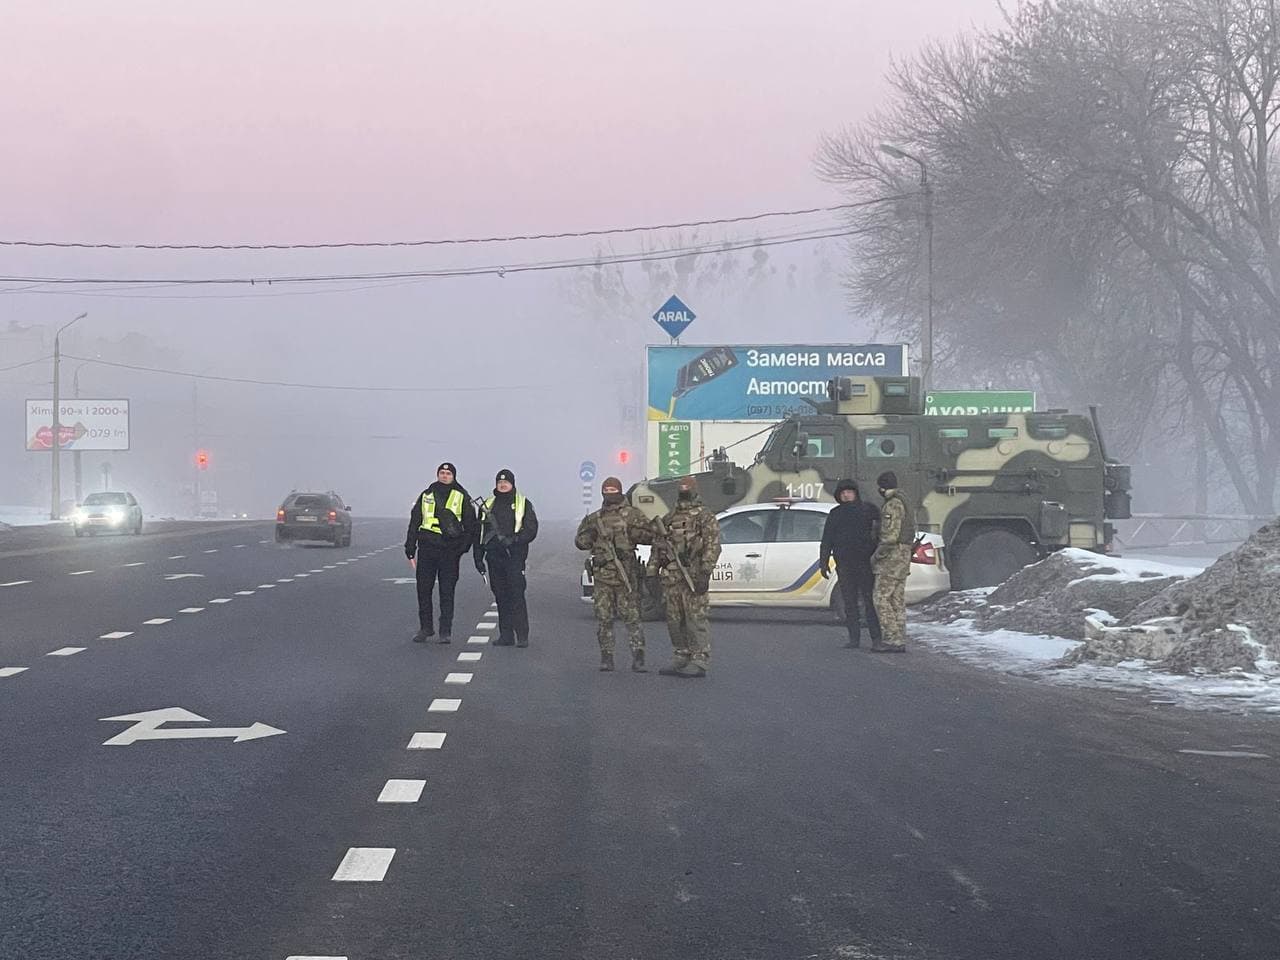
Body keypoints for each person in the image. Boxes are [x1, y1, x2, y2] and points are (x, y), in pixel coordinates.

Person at [574, 476, 652, 672]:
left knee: (632, 617)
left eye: (613, 490)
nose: (610, 494)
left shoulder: (633, 515)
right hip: (603, 577)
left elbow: (650, 536)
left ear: (620, 491)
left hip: (626, 575)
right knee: (604, 618)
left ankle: (638, 657)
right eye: (606, 491)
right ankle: (606, 657)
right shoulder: (594, 518)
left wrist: (635, 535)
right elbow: (580, 541)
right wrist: (590, 538)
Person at [651, 475, 721, 678]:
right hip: (672, 578)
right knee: (674, 619)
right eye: (681, 487)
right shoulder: (670, 517)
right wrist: (652, 571)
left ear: (694, 490)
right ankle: (681, 656)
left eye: (686, 487)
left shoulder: (705, 516)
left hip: (693, 575)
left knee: (695, 619)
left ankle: (699, 660)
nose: (683, 490)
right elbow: (658, 545)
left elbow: (713, 546)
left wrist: (705, 573)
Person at [405, 462, 477, 644]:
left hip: (449, 551)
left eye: (448, 473)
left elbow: (471, 526)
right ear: (437, 475)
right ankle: (425, 628)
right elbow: (415, 520)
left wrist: (462, 549)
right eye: (442, 473)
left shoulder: (461, 496)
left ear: (453, 476)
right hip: (427, 548)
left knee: (447, 591)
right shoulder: (427, 494)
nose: (444, 476)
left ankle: (445, 631)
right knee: (423, 589)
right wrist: (410, 546)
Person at [474, 468, 539, 647]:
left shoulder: (523, 503)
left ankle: (522, 635)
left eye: (506, 482)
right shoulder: (487, 504)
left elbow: (531, 529)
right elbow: (478, 533)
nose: (503, 485)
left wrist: (515, 540)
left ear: (512, 484)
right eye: (500, 482)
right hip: (494, 557)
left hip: (514, 557)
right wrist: (478, 557)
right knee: (501, 596)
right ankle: (506, 635)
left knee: (517, 595)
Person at [819, 479, 883, 649]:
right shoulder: (835, 514)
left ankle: (876, 639)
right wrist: (823, 562)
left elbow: (880, 534)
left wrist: (878, 555)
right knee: (849, 602)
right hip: (844, 564)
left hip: (866, 563)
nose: (846, 495)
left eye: (849, 491)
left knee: (870, 602)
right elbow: (827, 539)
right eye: (843, 492)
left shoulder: (869, 511)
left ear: (856, 493)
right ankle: (854, 639)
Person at [871, 470, 914, 652]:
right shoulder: (905, 502)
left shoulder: (892, 505)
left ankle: (891, 638)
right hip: (904, 557)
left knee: (880, 598)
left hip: (892, 558)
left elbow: (890, 537)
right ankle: (899, 637)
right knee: (897, 599)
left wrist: (876, 556)